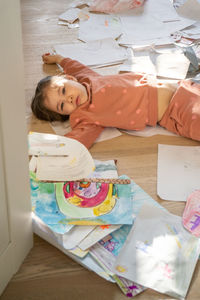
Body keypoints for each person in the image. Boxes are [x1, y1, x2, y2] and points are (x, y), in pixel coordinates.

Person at [31, 53, 200, 149]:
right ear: (64, 114)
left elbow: (76, 67)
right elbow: (77, 141)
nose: (67, 98)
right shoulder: (85, 116)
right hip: (177, 114)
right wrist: (44, 148)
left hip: (183, 88)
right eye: (62, 106)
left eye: (63, 90)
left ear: (69, 78)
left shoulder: (86, 78)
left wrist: (59, 59)